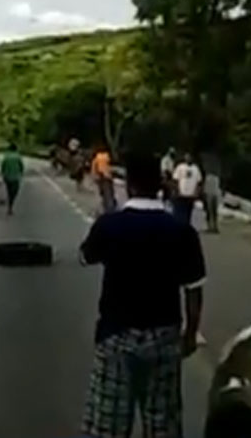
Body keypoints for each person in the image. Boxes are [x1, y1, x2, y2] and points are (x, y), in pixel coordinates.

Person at [80, 152, 206, 438]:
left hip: (116, 335)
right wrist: (190, 334)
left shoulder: (110, 225)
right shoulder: (182, 232)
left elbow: (85, 257)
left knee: (108, 423)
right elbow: (194, 290)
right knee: (162, 423)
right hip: (164, 336)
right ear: (161, 184)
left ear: (130, 185)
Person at [173, 153, 203, 225]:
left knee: (189, 212)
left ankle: (187, 225)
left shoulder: (196, 168)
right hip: (181, 194)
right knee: (180, 212)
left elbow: (199, 182)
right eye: (187, 157)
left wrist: (196, 193)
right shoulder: (180, 167)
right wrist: (177, 191)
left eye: (190, 157)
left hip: (191, 195)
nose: (188, 158)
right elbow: (176, 180)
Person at [200, 152, 222, 234]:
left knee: (211, 211)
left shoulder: (212, 177)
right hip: (212, 194)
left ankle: (212, 226)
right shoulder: (214, 177)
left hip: (212, 194)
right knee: (211, 211)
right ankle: (212, 226)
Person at [0, 142, 24, 215]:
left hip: (7, 177)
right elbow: (21, 166)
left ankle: (10, 204)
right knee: (15, 191)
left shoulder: (6, 156)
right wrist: (21, 173)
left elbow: (2, 166)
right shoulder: (18, 156)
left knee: (9, 190)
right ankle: (10, 204)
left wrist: (3, 174)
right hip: (15, 177)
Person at [91, 146, 117, 214]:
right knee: (110, 192)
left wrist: (94, 177)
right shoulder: (107, 156)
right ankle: (111, 207)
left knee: (102, 194)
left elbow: (94, 168)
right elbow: (110, 166)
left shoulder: (96, 158)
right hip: (108, 177)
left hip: (101, 177)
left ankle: (104, 210)